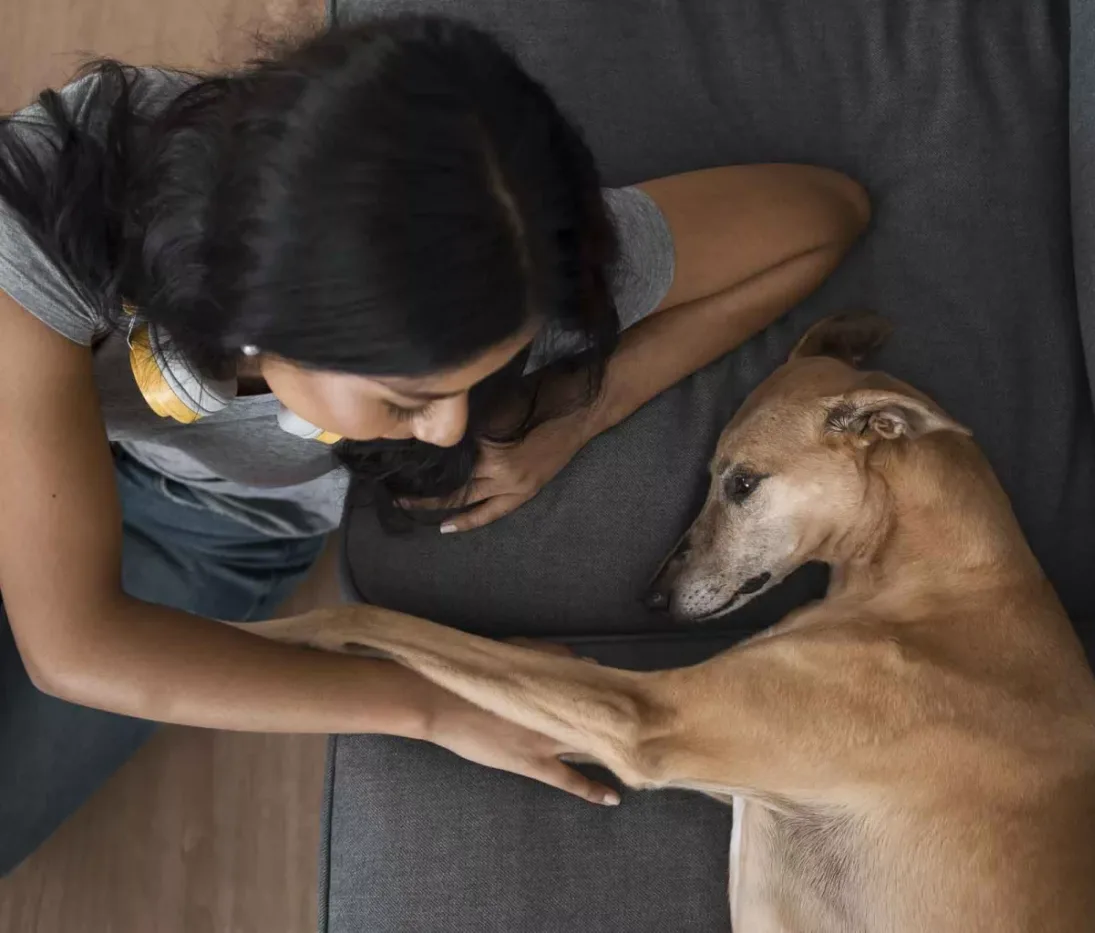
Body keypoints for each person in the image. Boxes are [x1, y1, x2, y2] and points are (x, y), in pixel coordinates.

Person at [0, 15, 870, 874]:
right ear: (257, 317)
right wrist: (431, 703)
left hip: (212, 517)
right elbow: (71, 647)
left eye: (476, 378)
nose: (455, 428)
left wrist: (578, 413)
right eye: (408, 397)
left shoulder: (512, 260)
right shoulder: (46, 216)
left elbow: (822, 215)